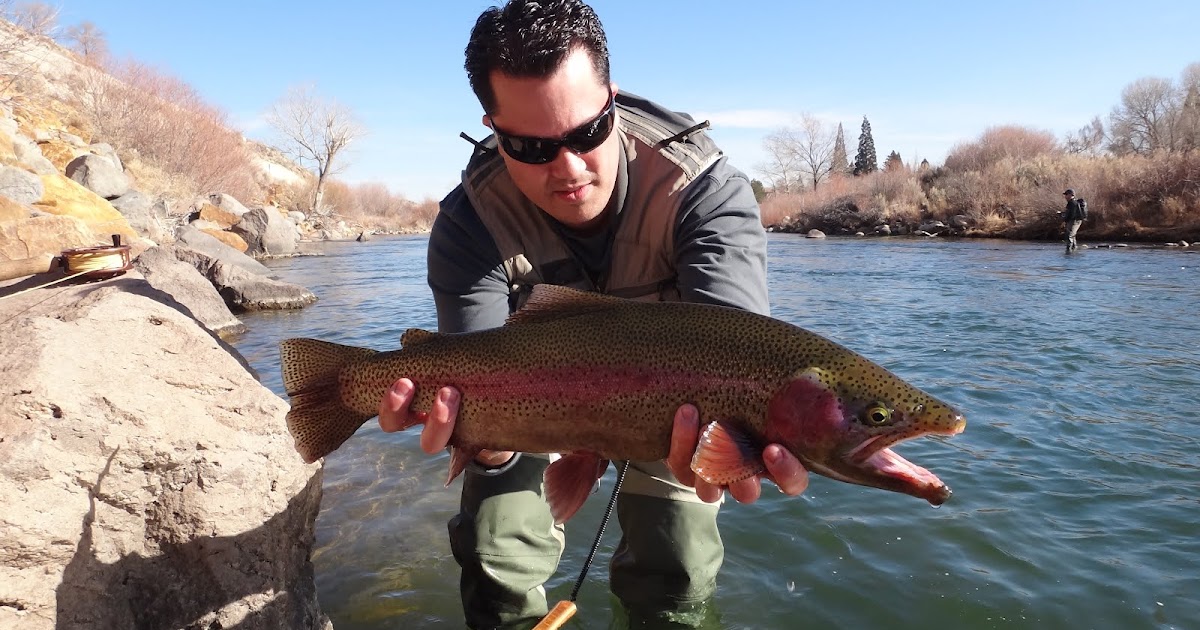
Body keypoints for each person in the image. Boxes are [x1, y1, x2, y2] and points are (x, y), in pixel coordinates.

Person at [377, 1, 808, 627]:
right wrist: (481, 441)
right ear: (493, 128)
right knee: (495, 551)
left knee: (677, 569)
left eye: (586, 133)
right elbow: (472, 382)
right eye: (530, 146)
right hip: (531, 401)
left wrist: (752, 443)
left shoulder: (703, 193)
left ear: (610, 97)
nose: (570, 169)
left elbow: (739, 364)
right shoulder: (471, 222)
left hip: (672, 411)